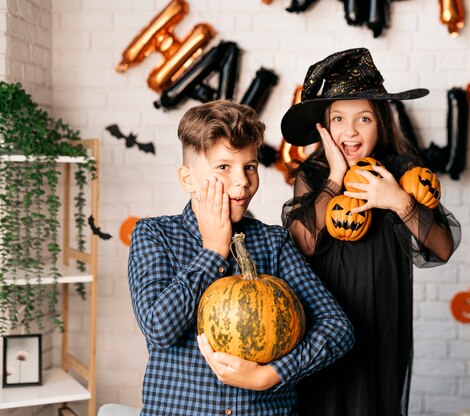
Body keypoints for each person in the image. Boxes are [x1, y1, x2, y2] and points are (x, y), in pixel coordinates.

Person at [128, 100, 354, 416]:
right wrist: (213, 251)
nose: (242, 182)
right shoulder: (154, 235)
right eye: (224, 167)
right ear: (188, 178)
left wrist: (270, 375)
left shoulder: (273, 242)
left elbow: (337, 328)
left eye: (250, 166)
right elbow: (159, 329)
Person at [280, 48, 462, 416]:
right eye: (338, 119)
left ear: (380, 122)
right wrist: (334, 177)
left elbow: (442, 247)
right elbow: (304, 244)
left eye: (363, 118)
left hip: (381, 323)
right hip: (323, 325)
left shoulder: (400, 171)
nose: (350, 131)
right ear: (325, 128)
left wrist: (398, 201)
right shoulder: (313, 177)